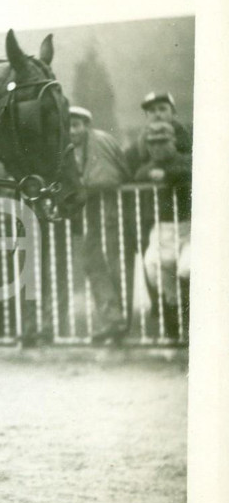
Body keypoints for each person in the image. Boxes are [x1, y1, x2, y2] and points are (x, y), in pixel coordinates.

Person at [68, 105, 131, 342]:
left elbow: (114, 175)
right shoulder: (71, 148)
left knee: (112, 264)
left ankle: (117, 321)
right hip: (91, 214)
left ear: (86, 125)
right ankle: (113, 320)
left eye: (76, 125)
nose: (72, 131)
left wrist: (82, 186)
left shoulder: (100, 142)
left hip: (108, 211)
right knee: (95, 263)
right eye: (68, 126)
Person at [133, 121, 191, 337]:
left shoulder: (186, 160)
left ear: (173, 141)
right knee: (153, 268)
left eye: (162, 142)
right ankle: (174, 328)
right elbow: (139, 175)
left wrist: (167, 175)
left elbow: (187, 171)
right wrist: (156, 172)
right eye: (152, 143)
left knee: (187, 269)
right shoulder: (148, 167)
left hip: (189, 228)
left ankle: (193, 320)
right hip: (162, 230)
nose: (157, 147)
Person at [125, 91, 192, 174]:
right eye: (152, 110)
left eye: (162, 109)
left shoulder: (187, 136)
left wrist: (167, 173)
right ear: (147, 115)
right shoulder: (140, 140)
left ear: (173, 112)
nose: (157, 114)